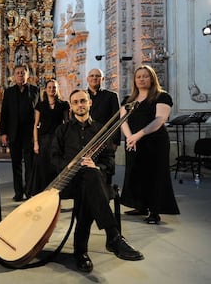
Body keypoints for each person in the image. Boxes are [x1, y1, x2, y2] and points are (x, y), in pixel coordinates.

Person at [51, 89, 144, 273]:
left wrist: (96, 166)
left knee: (90, 178)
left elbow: (109, 163)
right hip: (70, 182)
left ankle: (81, 252)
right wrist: (70, 165)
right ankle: (113, 236)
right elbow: (53, 159)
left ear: (89, 103)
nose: (80, 105)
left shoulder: (101, 130)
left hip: (95, 181)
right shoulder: (63, 130)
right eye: (76, 102)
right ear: (71, 106)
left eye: (83, 101)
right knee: (89, 181)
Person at [120, 65, 180, 224]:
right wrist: (129, 138)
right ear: (134, 80)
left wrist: (137, 136)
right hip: (133, 142)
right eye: (138, 76)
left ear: (152, 78)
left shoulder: (162, 96)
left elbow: (159, 120)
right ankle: (140, 206)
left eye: (145, 76)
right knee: (135, 173)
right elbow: (122, 121)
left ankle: (155, 211)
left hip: (154, 143)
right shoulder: (128, 100)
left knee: (154, 176)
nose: (141, 79)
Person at [0, 65, 39, 201]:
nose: (20, 75)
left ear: (28, 75)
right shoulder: (9, 92)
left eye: (23, 73)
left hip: (29, 133)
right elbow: (4, 113)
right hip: (14, 132)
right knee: (15, 164)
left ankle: (29, 192)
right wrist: (3, 133)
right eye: (18, 73)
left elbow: (38, 111)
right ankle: (18, 192)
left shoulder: (35, 90)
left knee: (29, 164)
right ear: (14, 76)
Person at [27, 78, 69, 197]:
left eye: (54, 87)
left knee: (55, 166)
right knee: (42, 166)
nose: (52, 89)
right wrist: (35, 142)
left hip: (58, 139)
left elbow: (66, 124)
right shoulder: (40, 105)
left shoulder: (63, 104)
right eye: (49, 87)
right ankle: (41, 194)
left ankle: (55, 192)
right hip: (43, 140)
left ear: (57, 89)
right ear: (45, 89)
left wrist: (66, 141)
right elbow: (35, 125)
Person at [86, 68, 120, 184]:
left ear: (102, 79)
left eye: (97, 76)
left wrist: (115, 141)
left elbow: (117, 120)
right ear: (87, 79)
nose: (94, 78)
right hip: (86, 140)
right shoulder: (82, 96)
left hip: (106, 141)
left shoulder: (111, 96)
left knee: (106, 173)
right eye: (92, 76)